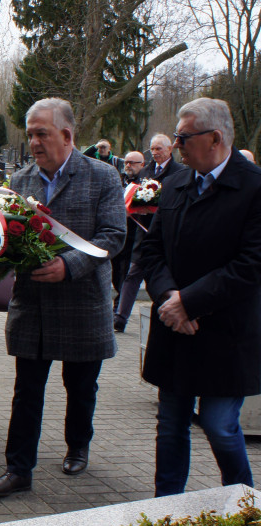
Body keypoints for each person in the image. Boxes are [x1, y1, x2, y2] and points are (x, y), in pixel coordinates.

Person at [0, 98, 126, 498]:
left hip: (82, 300)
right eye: (29, 134)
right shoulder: (21, 180)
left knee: (80, 386)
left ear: (67, 135)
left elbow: (113, 236)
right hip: (33, 303)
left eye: (41, 133)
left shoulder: (102, 177)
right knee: (26, 390)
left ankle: (78, 445)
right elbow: (5, 234)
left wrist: (70, 266)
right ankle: (18, 469)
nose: (33, 142)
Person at [139, 98, 261, 497]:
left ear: (215, 138)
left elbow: (251, 263)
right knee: (171, 422)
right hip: (176, 327)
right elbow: (151, 250)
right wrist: (169, 297)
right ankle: (165, 509)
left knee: (219, 425)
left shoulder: (254, 187)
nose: (176, 145)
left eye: (184, 137)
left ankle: (243, 510)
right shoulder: (175, 183)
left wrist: (191, 302)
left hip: (226, 333)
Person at [113, 134, 186, 332]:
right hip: (144, 232)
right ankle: (120, 317)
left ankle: (167, 312)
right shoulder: (145, 171)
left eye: (159, 149)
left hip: (167, 233)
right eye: (152, 149)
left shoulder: (181, 171)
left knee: (163, 275)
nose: (155, 153)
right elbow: (135, 193)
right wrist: (137, 205)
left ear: (170, 149)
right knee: (132, 274)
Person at [110, 150, 146, 296]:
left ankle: (120, 305)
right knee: (116, 270)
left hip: (134, 234)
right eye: (126, 162)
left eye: (132, 163)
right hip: (116, 232)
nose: (128, 165)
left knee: (126, 271)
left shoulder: (145, 184)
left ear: (142, 165)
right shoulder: (118, 180)